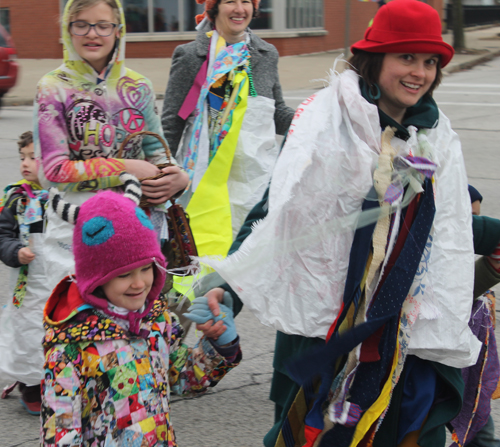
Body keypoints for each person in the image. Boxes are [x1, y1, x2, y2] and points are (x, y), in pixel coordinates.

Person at [198, 1, 483, 446]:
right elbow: (278, 212)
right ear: (376, 59)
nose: (419, 73)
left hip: (404, 340)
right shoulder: (325, 124)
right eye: (406, 57)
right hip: (321, 333)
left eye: (429, 62)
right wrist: (227, 285)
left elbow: (450, 233)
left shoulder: (436, 138)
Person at [41, 174, 240, 446]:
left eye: (147, 268)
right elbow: (60, 432)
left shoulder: (157, 319)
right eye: (123, 275)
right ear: (95, 278)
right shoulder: (70, 347)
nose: (139, 283)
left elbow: (182, 377)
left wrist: (219, 345)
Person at [34, 0, 189, 294]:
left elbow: (156, 151)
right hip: (78, 227)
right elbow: (52, 172)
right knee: (84, 320)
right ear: (68, 30)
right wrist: (125, 169)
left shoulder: (138, 86)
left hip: (136, 225)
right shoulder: (53, 88)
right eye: (82, 25)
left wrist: (179, 176)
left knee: (136, 316)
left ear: (118, 30)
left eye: (103, 25)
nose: (92, 34)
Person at [161, 0, 294, 262]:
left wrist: (314, 116)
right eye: (230, 1)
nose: (239, 9)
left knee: (249, 258)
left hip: (254, 180)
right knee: (205, 255)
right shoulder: (190, 56)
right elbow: (171, 123)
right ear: (214, 8)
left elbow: (277, 113)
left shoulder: (266, 54)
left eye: (246, 1)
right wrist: (164, 173)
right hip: (203, 181)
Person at [0, 131, 50, 415]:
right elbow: (2, 235)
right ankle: (30, 388)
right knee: (28, 334)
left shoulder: (64, 199)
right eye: (23, 157)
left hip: (58, 279)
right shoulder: (17, 199)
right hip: (28, 285)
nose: (25, 164)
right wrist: (15, 252)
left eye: (34, 157)